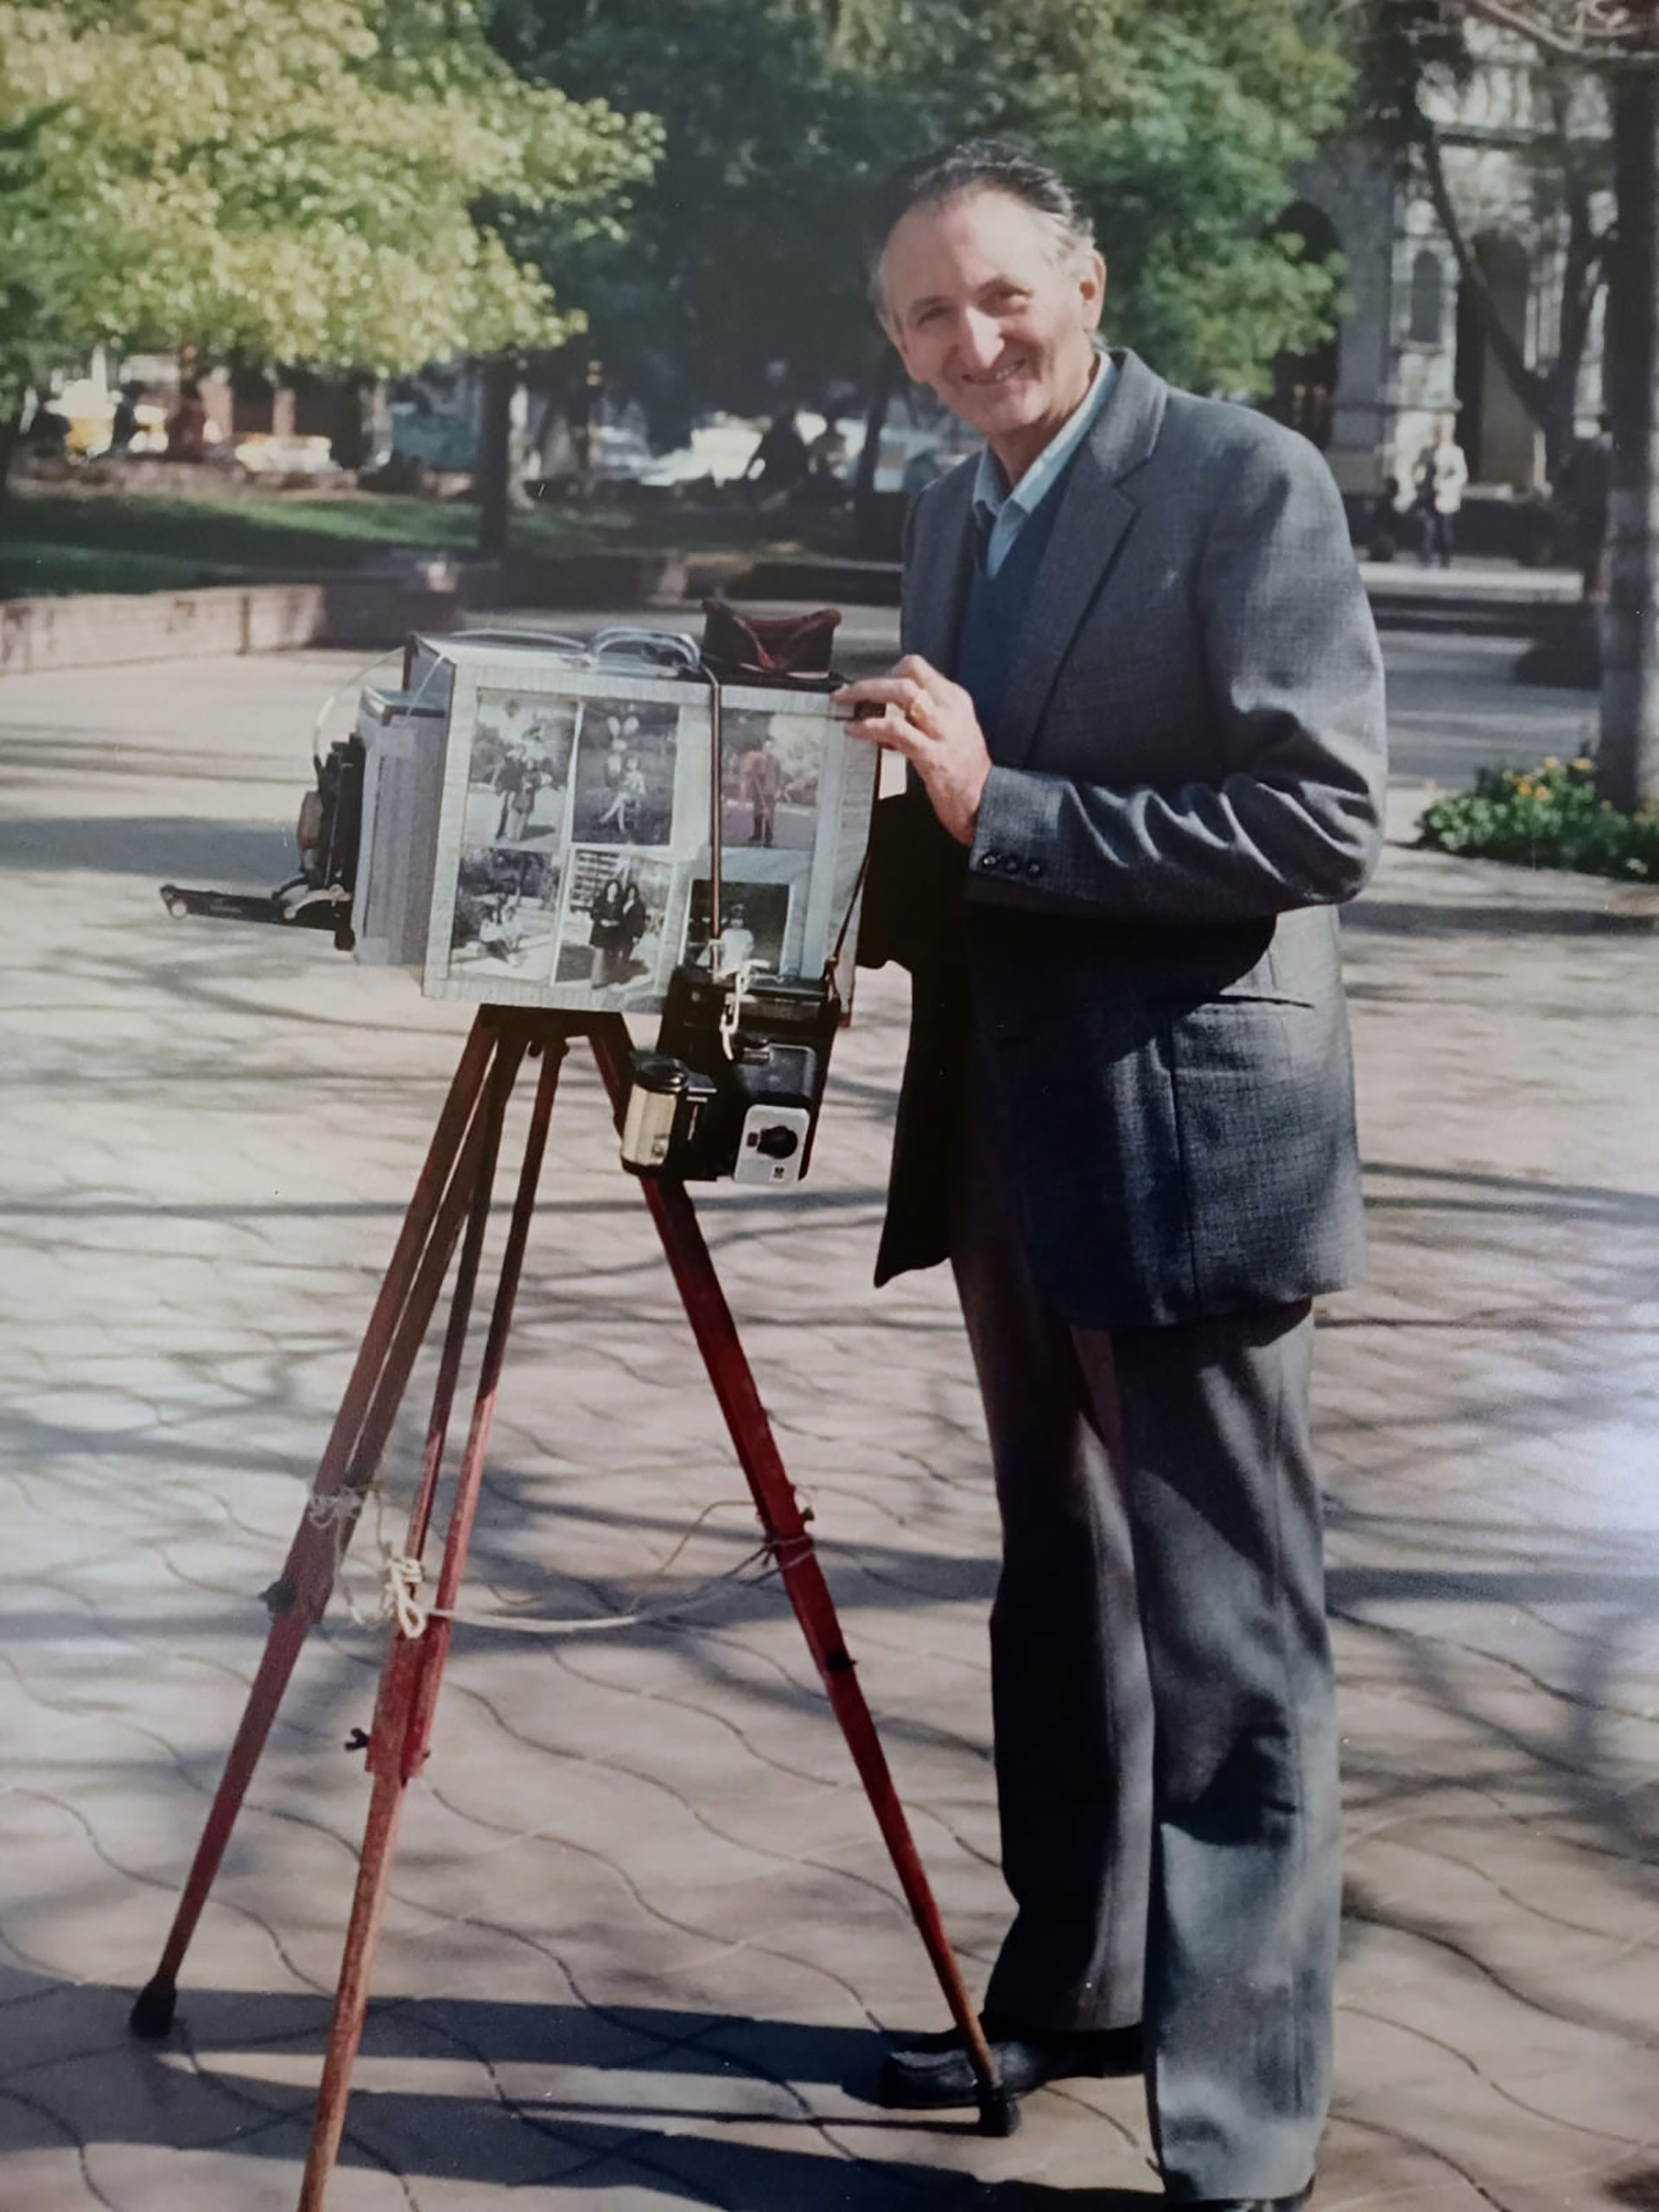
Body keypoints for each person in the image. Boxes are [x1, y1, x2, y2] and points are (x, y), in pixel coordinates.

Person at [837, 142, 1387, 2212]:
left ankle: (1238, 2132)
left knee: (1232, 1637)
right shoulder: (946, 501)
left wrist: (1008, 805)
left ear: (1085, 280)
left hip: (1191, 1128)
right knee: (1054, 1588)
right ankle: (1068, 1986)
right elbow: (956, 808)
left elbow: (1319, 817)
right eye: (924, 315)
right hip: (1005, 1124)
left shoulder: (1244, 480)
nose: (970, 341)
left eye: (1001, 296)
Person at [1413, 415, 1467, 568]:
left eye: (1444, 431)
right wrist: (1418, 476)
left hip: (1445, 498)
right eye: (1438, 431)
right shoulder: (1427, 451)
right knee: (1428, 529)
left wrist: (1445, 486)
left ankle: (1446, 558)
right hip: (1428, 496)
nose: (1440, 434)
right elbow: (1418, 468)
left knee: (1445, 531)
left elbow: (1461, 475)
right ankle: (1426, 559)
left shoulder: (1456, 452)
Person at [588, 865, 649, 990]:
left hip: (615, 934)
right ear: (608, 888)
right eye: (611, 888)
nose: (613, 890)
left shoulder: (625, 904)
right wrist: (601, 921)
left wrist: (637, 935)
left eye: (615, 889)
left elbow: (636, 921)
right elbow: (593, 913)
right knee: (600, 956)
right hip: (602, 933)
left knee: (615, 957)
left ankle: (612, 978)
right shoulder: (601, 900)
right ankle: (596, 981)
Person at [739, 734, 781, 846]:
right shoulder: (757, 759)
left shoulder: (776, 761)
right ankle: (757, 835)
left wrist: (779, 790)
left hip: (770, 791)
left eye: (770, 747)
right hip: (758, 791)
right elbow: (751, 773)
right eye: (765, 747)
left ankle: (768, 838)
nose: (767, 749)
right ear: (763, 748)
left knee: (769, 815)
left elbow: (780, 776)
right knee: (757, 814)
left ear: (772, 749)